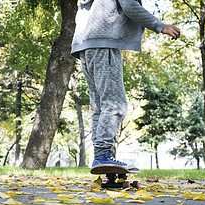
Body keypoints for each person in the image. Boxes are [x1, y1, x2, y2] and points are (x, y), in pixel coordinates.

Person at [71, 0, 180, 171]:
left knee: (100, 106)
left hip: (85, 45)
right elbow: (129, 5)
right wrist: (160, 26)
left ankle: (101, 155)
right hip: (103, 42)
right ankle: (102, 155)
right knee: (115, 104)